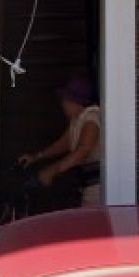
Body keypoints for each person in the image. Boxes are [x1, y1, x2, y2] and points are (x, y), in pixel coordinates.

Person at [19, 77, 101, 206]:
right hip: (87, 183)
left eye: (65, 100)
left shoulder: (92, 118)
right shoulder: (78, 118)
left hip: (99, 185)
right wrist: (36, 157)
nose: (62, 104)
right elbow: (64, 143)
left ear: (75, 101)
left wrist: (53, 170)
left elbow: (82, 151)